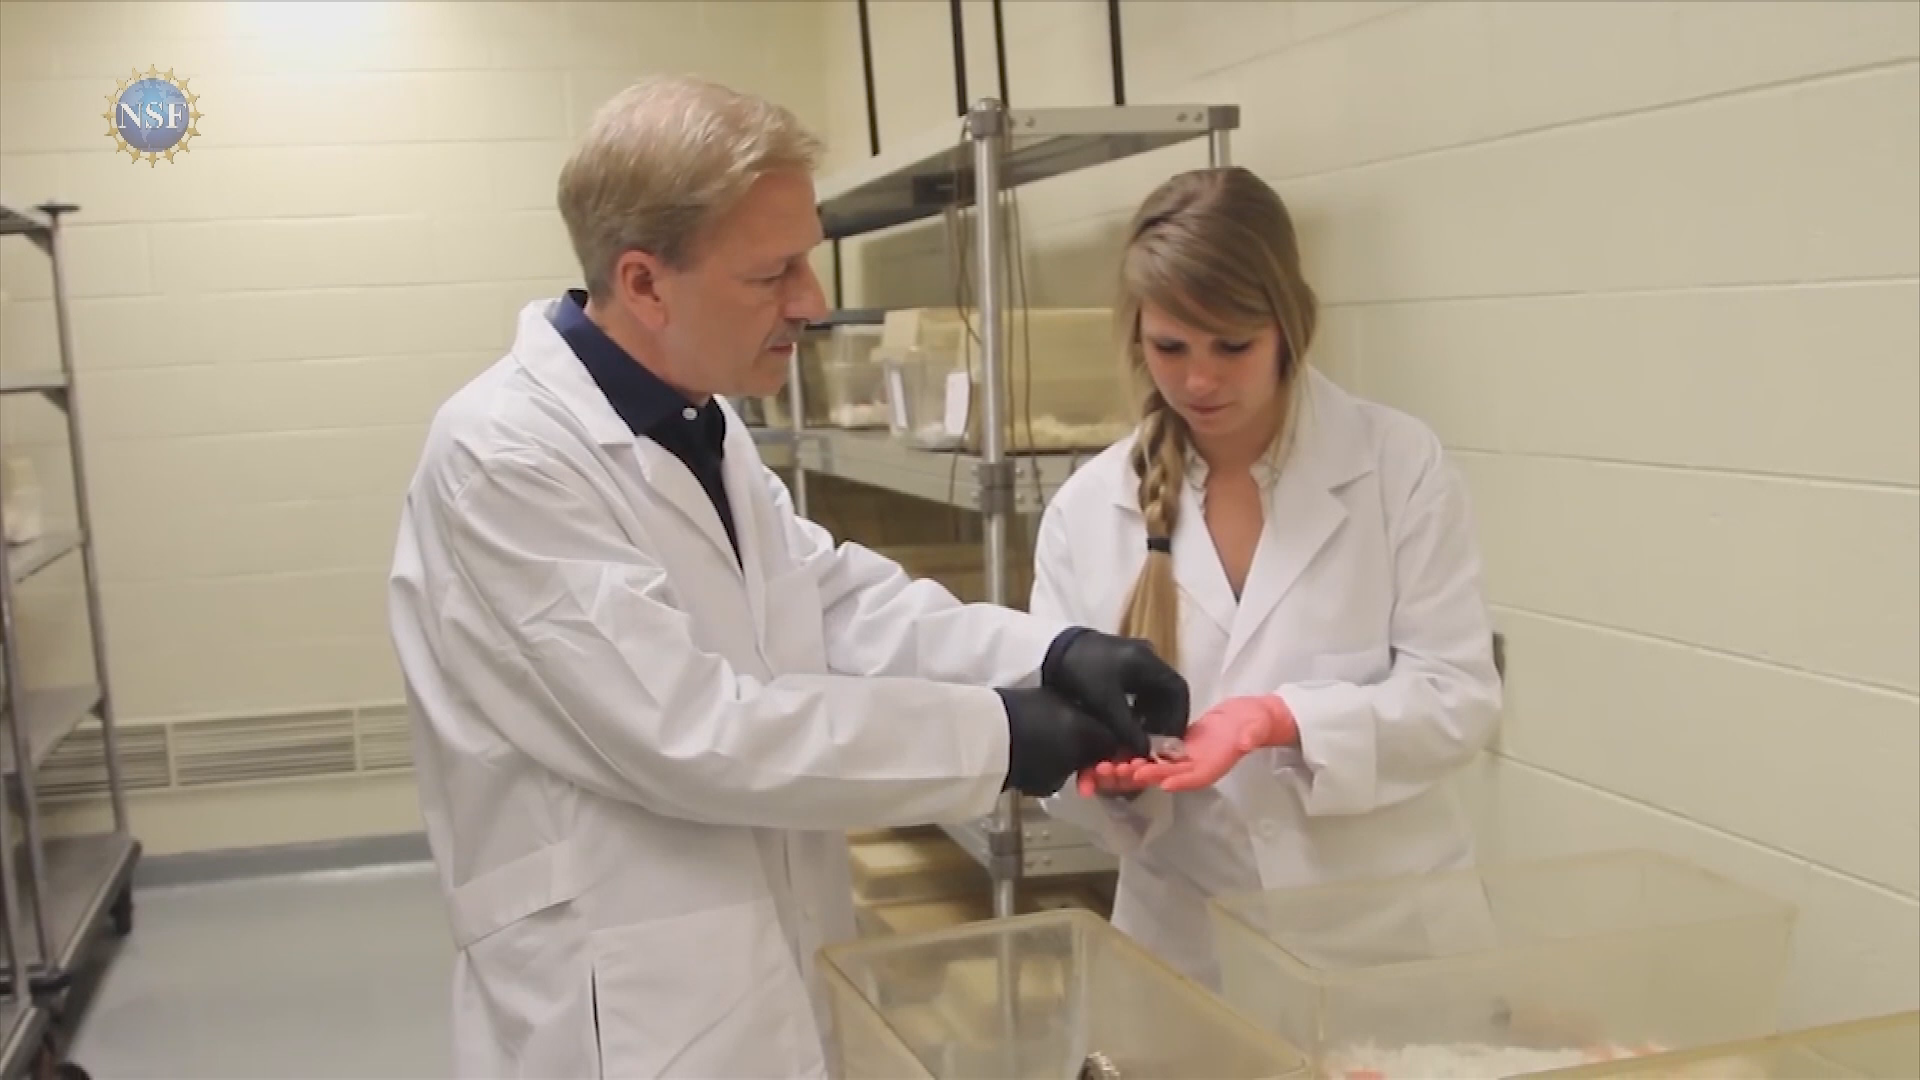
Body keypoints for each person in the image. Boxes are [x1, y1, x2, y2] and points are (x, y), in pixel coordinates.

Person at [385, 75, 1188, 1079]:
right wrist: (1001, 736)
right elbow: (690, 731)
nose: (812, 302)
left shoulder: (697, 418)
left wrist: (1051, 652)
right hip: (618, 1002)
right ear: (644, 284)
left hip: (751, 967)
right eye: (774, 274)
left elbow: (829, 596)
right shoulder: (505, 460)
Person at [1034, 166, 1503, 993]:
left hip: (1386, 943)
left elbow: (1457, 701)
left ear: (1289, 326)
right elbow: (1052, 747)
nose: (1200, 381)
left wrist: (1280, 719)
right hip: (1188, 946)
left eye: (1232, 346)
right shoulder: (1087, 510)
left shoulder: (1397, 468)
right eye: (1170, 348)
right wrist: (1104, 774)